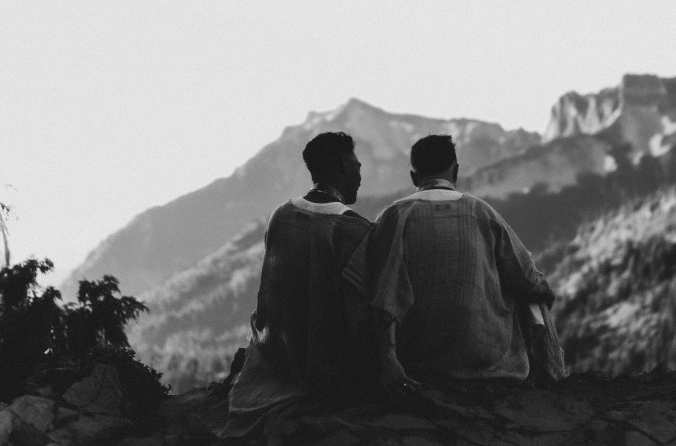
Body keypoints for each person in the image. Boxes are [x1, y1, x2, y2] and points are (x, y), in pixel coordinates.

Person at [358, 134, 566, 395]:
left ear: (414, 177)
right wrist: (546, 292)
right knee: (532, 296)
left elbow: (381, 294)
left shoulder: (394, 216)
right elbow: (525, 278)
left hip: (417, 360)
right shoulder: (482, 211)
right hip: (486, 359)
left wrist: (388, 360)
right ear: (455, 171)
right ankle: (547, 376)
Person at [225, 130, 374, 426]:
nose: (360, 175)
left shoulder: (281, 214)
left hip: (277, 351)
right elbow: (360, 312)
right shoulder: (355, 230)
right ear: (343, 167)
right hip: (326, 366)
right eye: (357, 167)